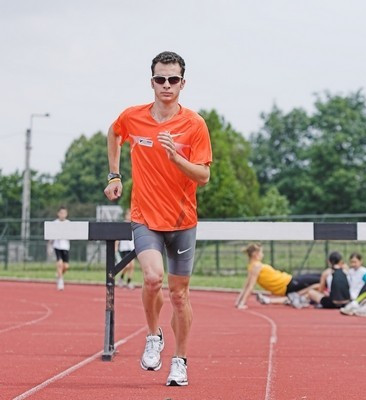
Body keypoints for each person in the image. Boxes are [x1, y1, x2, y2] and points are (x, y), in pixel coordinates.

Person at [104, 51, 212, 387]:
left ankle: (180, 361)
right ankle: (154, 335)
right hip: (145, 217)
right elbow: (113, 133)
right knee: (152, 279)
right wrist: (114, 175)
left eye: (173, 79)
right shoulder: (133, 117)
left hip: (182, 221)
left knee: (179, 295)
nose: (167, 85)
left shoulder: (194, 124)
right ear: (151, 82)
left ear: (183, 83)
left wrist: (175, 157)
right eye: (160, 79)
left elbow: (204, 176)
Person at [235, 243, 320, 309]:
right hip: (287, 284)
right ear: (255, 254)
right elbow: (249, 286)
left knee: (319, 278)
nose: (262, 254)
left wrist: (238, 301)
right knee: (320, 279)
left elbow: (246, 286)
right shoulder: (256, 266)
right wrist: (242, 303)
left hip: (289, 280)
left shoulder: (252, 266)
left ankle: (298, 298)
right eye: (261, 252)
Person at [48, 206, 70, 291]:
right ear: (58, 214)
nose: (62, 214)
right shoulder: (55, 223)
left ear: (66, 214)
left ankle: (59, 275)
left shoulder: (68, 223)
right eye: (61, 213)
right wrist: (49, 246)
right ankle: (60, 282)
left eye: (64, 213)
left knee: (66, 266)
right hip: (57, 246)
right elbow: (51, 236)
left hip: (66, 247)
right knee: (59, 264)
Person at [116, 208, 135, 290]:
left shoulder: (134, 224)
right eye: (128, 214)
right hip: (124, 248)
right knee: (127, 266)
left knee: (132, 266)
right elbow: (118, 236)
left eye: (131, 214)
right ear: (126, 215)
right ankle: (121, 278)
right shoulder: (123, 225)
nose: (130, 216)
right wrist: (116, 245)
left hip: (132, 248)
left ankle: (129, 281)